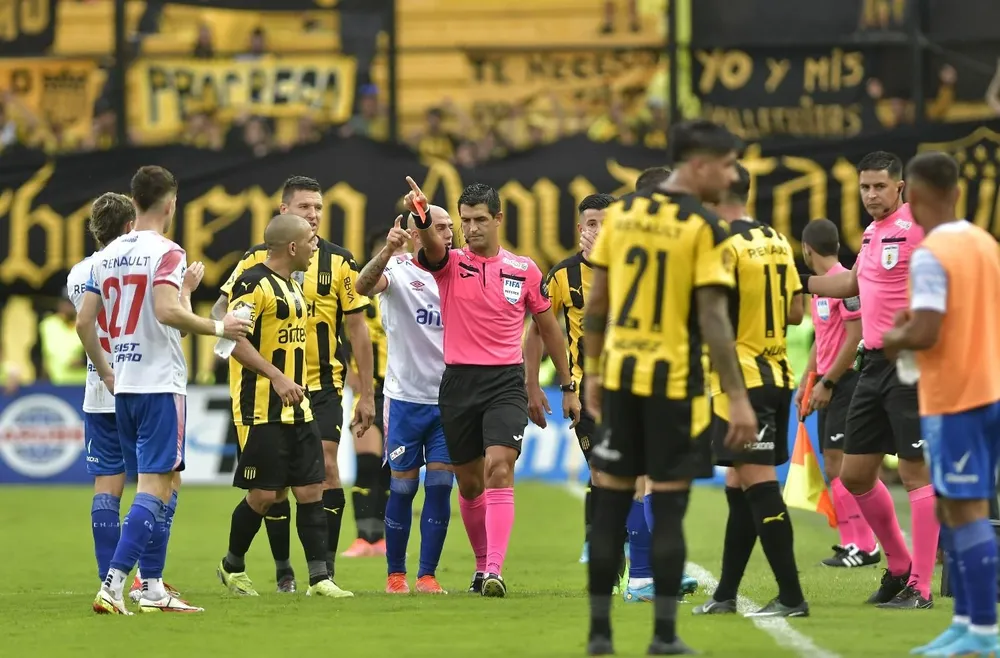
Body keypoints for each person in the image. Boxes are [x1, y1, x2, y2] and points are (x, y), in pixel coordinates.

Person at [581, 120, 755, 656]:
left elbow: (597, 304)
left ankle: (600, 635)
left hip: (620, 379)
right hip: (675, 385)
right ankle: (662, 635)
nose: (731, 176)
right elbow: (714, 321)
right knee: (670, 509)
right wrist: (738, 397)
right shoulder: (704, 227)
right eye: (725, 165)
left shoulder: (624, 216)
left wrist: (592, 372)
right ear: (699, 164)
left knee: (610, 505)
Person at [80, 166, 251, 614]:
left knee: (165, 480)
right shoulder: (168, 251)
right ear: (171, 204)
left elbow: (84, 321)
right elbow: (166, 312)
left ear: (134, 200)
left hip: (124, 387)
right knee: (156, 485)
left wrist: (107, 370)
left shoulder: (105, 256)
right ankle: (115, 586)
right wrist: (221, 326)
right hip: (159, 383)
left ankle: (153, 588)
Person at [406, 177, 579, 598]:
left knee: (499, 467)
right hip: (458, 383)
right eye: (465, 221)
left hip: (505, 382)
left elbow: (549, 329)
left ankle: (495, 571)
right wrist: (424, 219)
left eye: (480, 220)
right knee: (469, 484)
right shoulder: (449, 263)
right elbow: (431, 247)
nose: (471, 228)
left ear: (499, 218)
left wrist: (565, 383)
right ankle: (482, 566)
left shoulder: (524, 269)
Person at [214, 175, 374, 595]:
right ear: (287, 226)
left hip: (310, 394)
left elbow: (354, 326)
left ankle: (321, 576)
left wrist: (362, 388)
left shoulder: (312, 276)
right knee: (267, 493)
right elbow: (228, 331)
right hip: (262, 401)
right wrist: (273, 372)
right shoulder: (253, 275)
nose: (315, 218)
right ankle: (246, 565)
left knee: (315, 482)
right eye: (306, 209)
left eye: (319, 208)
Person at [804, 151, 938, 609]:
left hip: (911, 363)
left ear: (900, 187)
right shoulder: (870, 233)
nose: (871, 195)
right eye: (865, 187)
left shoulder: (918, 228)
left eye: (880, 186)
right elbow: (850, 286)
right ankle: (899, 568)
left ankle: (921, 586)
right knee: (855, 474)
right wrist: (793, 282)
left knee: (914, 472)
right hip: (873, 365)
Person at [884, 152, 1000, 656]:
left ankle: (985, 632)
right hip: (987, 388)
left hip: (956, 396)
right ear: (956, 190)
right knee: (955, 507)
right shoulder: (984, 242)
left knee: (967, 510)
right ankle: (965, 622)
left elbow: (926, 331)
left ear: (910, 193)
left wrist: (894, 337)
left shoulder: (931, 254)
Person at [692, 163, 809, 620]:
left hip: (741, 381)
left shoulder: (721, 243)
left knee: (758, 483)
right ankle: (725, 594)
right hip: (776, 372)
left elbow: (713, 317)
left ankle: (792, 597)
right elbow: (796, 311)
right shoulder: (775, 238)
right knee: (739, 482)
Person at [355, 207, 455, 594]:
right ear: (416, 235)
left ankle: (427, 575)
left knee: (441, 486)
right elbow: (362, 286)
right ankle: (395, 575)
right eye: (438, 227)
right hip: (404, 400)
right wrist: (386, 251)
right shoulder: (396, 269)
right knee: (402, 488)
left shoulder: (461, 270)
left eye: (449, 227)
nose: (448, 234)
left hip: (449, 401)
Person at [798, 219, 879, 568]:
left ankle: (865, 544)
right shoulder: (821, 288)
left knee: (844, 467)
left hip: (846, 382)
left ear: (806, 250)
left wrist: (827, 382)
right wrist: (807, 381)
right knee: (834, 466)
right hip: (827, 382)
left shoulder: (846, 283)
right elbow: (822, 339)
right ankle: (850, 543)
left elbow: (855, 337)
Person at [341, 230, 392, 559]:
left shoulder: (412, 293)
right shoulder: (358, 294)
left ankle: (381, 538)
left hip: (401, 390)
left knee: (390, 470)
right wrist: (352, 375)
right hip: (369, 389)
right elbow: (341, 335)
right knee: (368, 463)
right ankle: (363, 537)